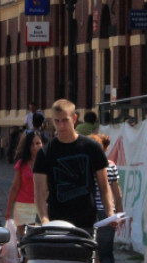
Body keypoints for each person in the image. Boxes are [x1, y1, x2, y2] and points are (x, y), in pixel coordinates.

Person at [33, 99, 113, 235]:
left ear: (74, 118)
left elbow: (104, 186)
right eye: (57, 121)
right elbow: (39, 193)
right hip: (57, 221)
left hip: (86, 221)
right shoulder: (45, 152)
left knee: (88, 255)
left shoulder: (92, 148)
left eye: (65, 120)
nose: (61, 126)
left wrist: (110, 212)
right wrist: (44, 219)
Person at [88, 133, 124, 263]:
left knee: (91, 249)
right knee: (106, 251)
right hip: (107, 214)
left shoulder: (86, 166)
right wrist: (119, 213)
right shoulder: (111, 166)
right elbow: (117, 193)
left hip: (89, 211)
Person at [5, 130, 45, 238]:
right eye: (32, 144)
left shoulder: (47, 163)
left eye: (38, 143)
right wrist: (8, 210)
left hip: (40, 207)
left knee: (37, 240)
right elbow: (15, 187)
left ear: (43, 144)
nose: (35, 147)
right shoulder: (22, 164)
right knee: (26, 241)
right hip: (22, 207)